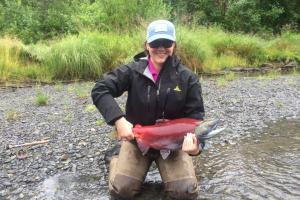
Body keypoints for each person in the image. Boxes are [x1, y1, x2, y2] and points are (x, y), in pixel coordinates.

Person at [92, 19, 205, 200]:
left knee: (184, 193)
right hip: (138, 140)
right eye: (155, 43)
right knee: (122, 191)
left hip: (172, 145)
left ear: (174, 45)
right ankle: (115, 158)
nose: (161, 48)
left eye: (166, 43)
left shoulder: (188, 78)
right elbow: (100, 89)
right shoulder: (132, 71)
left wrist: (196, 148)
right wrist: (119, 120)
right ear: (146, 45)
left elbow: (196, 119)